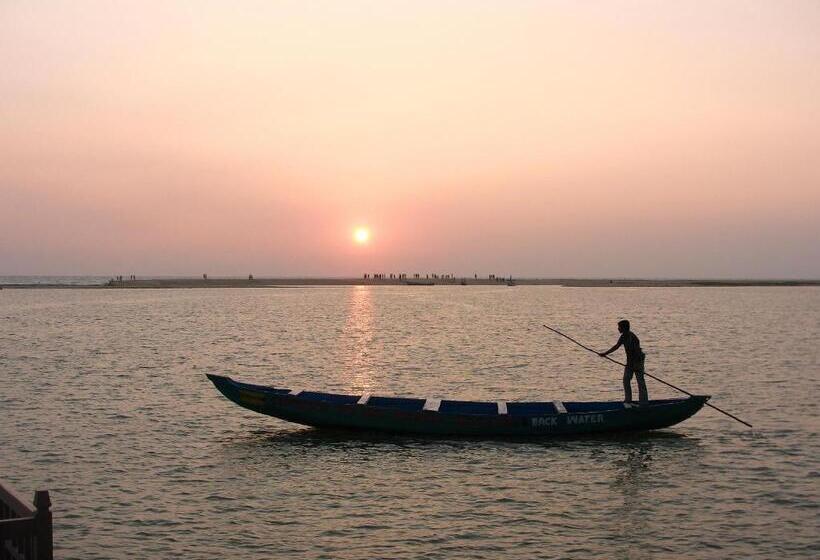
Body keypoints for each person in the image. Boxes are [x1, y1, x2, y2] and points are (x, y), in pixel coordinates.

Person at [599, 320, 648, 404]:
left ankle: (643, 402)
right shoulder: (623, 337)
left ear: (624, 328)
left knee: (640, 381)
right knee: (626, 379)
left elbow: (636, 352)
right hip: (630, 362)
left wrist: (635, 366)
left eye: (619, 327)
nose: (618, 329)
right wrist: (605, 353)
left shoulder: (632, 337)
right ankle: (628, 400)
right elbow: (616, 346)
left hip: (638, 361)